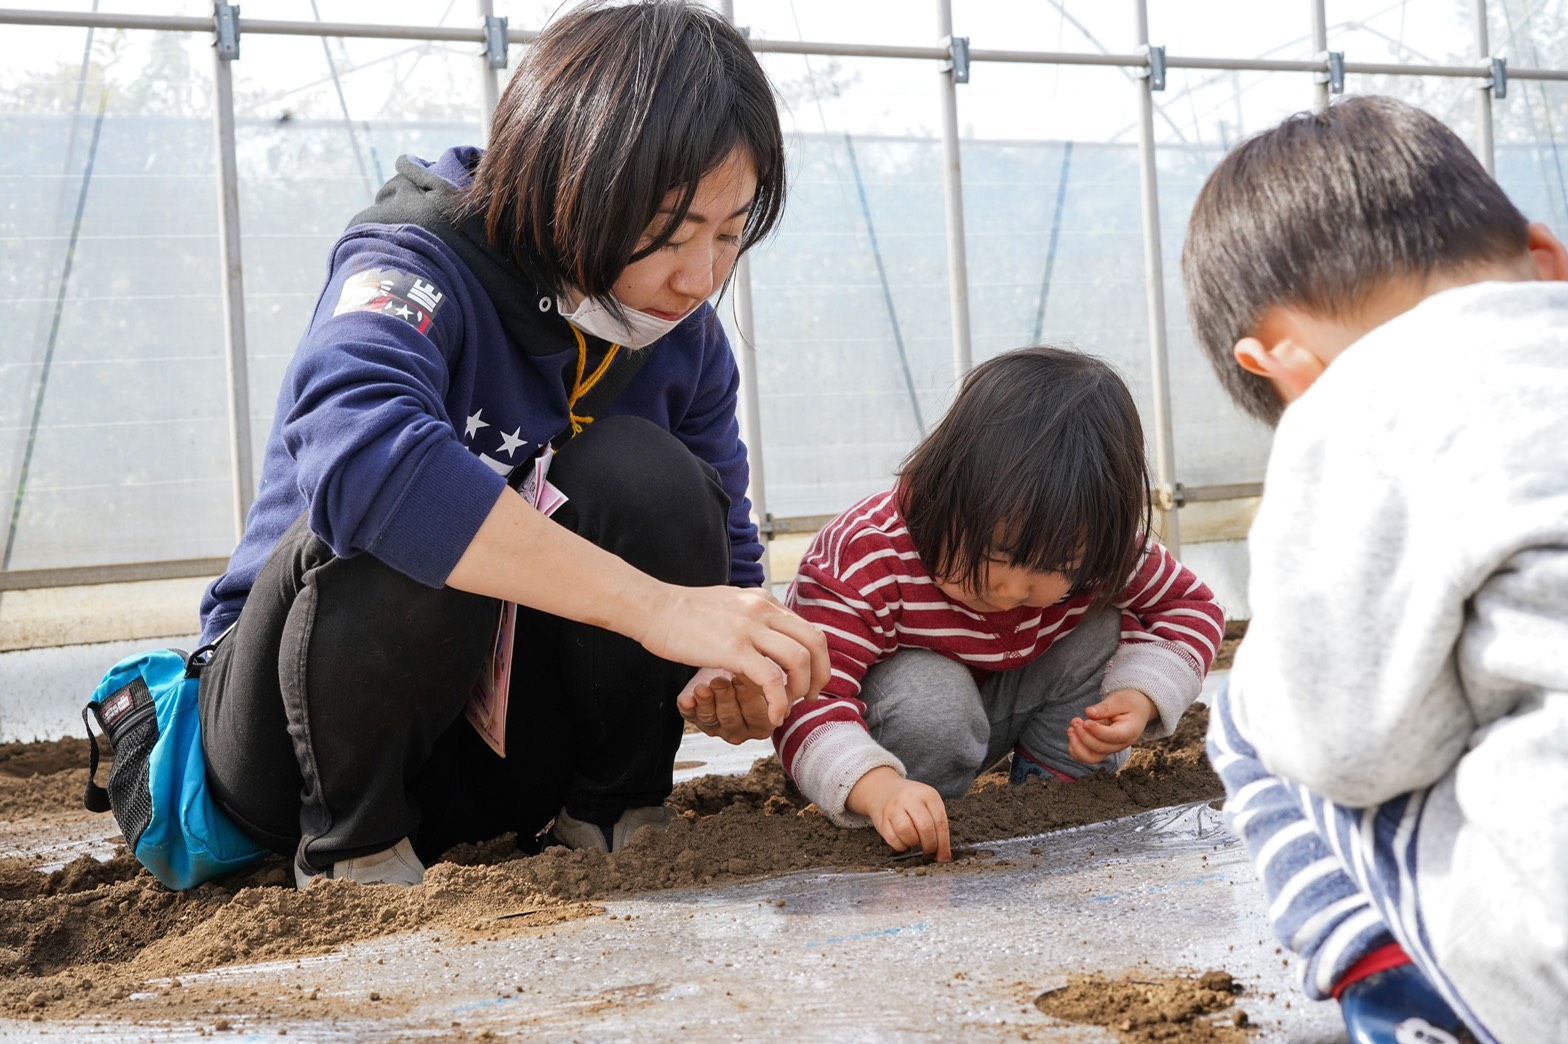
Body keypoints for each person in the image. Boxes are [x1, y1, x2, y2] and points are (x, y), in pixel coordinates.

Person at [194, 0, 828, 889]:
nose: (700, 278)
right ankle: (354, 861)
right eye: (673, 233)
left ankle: (611, 819)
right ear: (572, 180)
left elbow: (717, 571)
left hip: (494, 761)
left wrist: (732, 669)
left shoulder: (681, 339)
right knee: (409, 507)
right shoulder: (412, 265)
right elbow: (360, 455)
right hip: (297, 743)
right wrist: (655, 609)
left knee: (647, 477)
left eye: (730, 235)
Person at [1181, 95, 1568, 1044]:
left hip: (1546, 953)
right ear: (1548, 259)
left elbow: (1352, 749)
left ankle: (1402, 1002)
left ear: (1282, 364)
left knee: (1257, 712)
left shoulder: (1354, 404)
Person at [772, 346, 1226, 861]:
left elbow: (1191, 608)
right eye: (996, 554)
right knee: (932, 694)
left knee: (1101, 632)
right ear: (944, 489)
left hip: (1004, 709)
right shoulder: (867, 556)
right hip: (886, 746)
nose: (1012, 591)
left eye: (1057, 569)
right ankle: (915, 817)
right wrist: (876, 788)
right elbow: (807, 698)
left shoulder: (1100, 549)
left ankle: (1050, 798)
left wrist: (1141, 696)